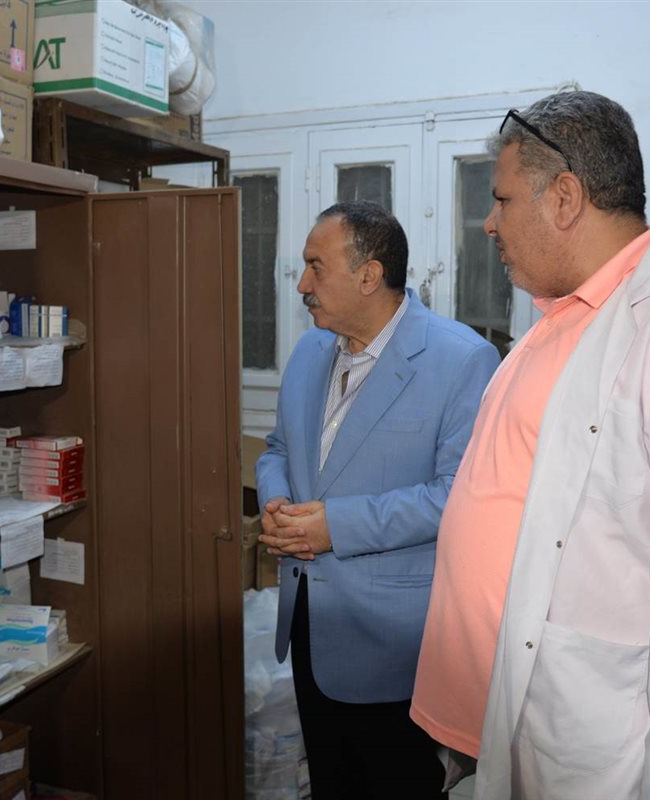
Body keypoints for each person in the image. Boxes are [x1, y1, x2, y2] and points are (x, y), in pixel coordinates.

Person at [410, 90, 650, 800]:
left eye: (502, 200)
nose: (489, 223)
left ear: (565, 198)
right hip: (508, 723)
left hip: (594, 737)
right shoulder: (559, 320)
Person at [257, 200, 500, 799]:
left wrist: (333, 526)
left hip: (396, 648)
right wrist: (278, 502)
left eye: (316, 267)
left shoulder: (461, 360)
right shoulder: (311, 350)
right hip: (311, 625)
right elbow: (277, 448)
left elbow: (456, 497)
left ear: (369, 276)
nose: (302, 284)